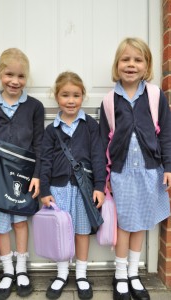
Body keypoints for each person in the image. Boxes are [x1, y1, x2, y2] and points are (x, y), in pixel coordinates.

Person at [99, 37, 171, 300]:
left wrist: (168, 167)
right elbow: (102, 142)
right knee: (124, 224)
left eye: (137, 60)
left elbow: (165, 134)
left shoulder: (154, 96)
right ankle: (119, 275)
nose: (131, 64)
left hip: (149, 170)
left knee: (140, 223)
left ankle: (133, 273)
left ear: (147, 65)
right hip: (121, 172)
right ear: (117, 65)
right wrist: (104, 176)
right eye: (125, 59)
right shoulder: (109, 101)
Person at [0, 48, 44, 299]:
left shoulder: (34, 107)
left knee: (19, 222)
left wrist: (37, 175)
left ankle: (22, 269)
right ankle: (7, 270)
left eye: (21, 76)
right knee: (0, 224)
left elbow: (39, 143)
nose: (15, 81)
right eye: (9, 74)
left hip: (23, 177)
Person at [40, 71, 106, 299]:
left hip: (83, 190)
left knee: (81, 231)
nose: (71, 100)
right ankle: (60, 274)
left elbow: (98, 156)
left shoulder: (90, 126)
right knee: (60, 232)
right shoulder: (51, 130)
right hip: (58, 190)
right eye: (65, 95)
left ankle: (81, 274)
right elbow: (45, 160)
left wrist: (99, 185)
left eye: (76, 95)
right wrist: (45, 190)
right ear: (57, 97)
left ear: (83, 96)